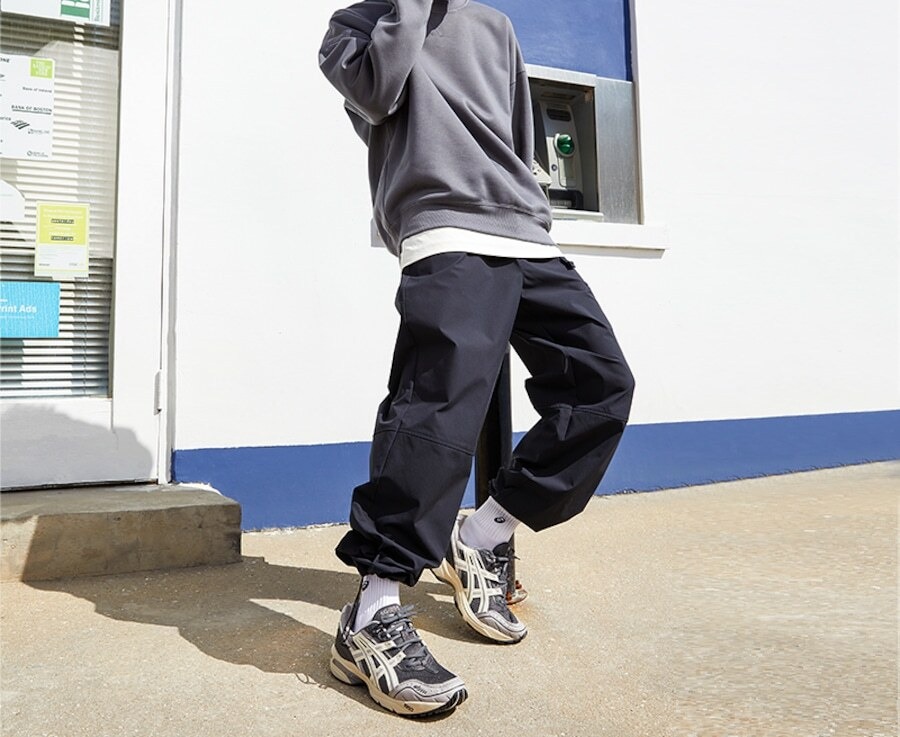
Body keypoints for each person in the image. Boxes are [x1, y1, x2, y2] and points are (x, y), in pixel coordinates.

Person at [318, 0, 635, 718]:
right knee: (437, 413)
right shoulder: (355, 28)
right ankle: (372, 610)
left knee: (600, 385)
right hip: (444, 226)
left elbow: (519, 134)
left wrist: (533, 211)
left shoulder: (495, 26)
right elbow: (378, 96)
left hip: (525, 232)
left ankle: (484, 530)